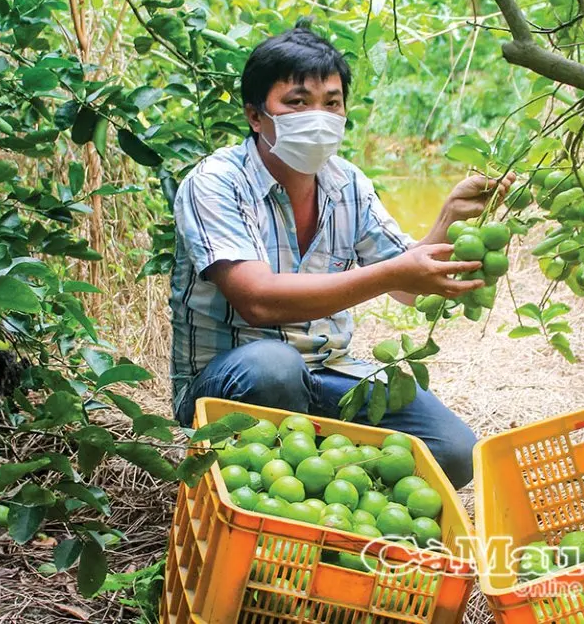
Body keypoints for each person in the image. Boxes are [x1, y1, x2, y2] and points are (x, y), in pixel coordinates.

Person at [169, 26, 513, 488]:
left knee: (452, 452)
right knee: (274, 368)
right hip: (231, 381)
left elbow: (407, 286)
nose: (318, 116)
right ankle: (271, 484)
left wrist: (451, 216)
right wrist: (390, 273)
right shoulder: (215, 183)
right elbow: (258, 300)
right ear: (255, 116)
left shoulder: (347, 183)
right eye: (297, 102)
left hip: (328, 372)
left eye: (331, 103)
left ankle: (324, 475)